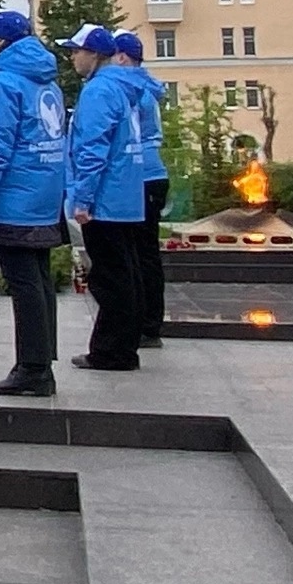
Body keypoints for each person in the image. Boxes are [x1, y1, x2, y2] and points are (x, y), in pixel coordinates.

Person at [0, 10, 67, 399]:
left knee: (24, 283)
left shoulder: (5, 84)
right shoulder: (48, 83)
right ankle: (42, 361)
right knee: (39, 281)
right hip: (45, 195)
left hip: (14, 198)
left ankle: (32, 369)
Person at [63, 25, 146, 372]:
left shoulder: (98, 91)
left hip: (105, 198)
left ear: (94, 54)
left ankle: (112, 351)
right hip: (125, 194)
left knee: (110, 279)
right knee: (127, 274)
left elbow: (92, 148)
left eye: (76, 51)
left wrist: (82, 198)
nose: (72, 58)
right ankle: (124, 346)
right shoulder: (123, 88)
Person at [112, 31, 171, 356]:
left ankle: (146, 325)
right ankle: (149, 323)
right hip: (153, 172)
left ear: (122, 58)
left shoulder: (130, 90)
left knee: (138, 255)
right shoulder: (145, 85)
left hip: (141, 175)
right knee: (146, 253)